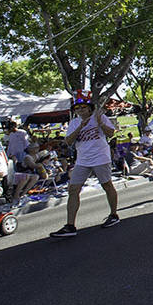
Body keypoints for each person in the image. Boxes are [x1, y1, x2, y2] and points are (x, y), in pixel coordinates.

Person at [50, 90, 120, 238]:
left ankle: (113, 214)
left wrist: (100, 123)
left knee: (107, 185)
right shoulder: (74, 122)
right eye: (78, 108)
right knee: (73, 189)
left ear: (89, 108)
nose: (81, 110)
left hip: (100, 157)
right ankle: (70, 225)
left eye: (83, 107)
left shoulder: (99, 117)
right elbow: (68, 141)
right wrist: (80, 127)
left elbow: (111, 133)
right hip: (83, 160)